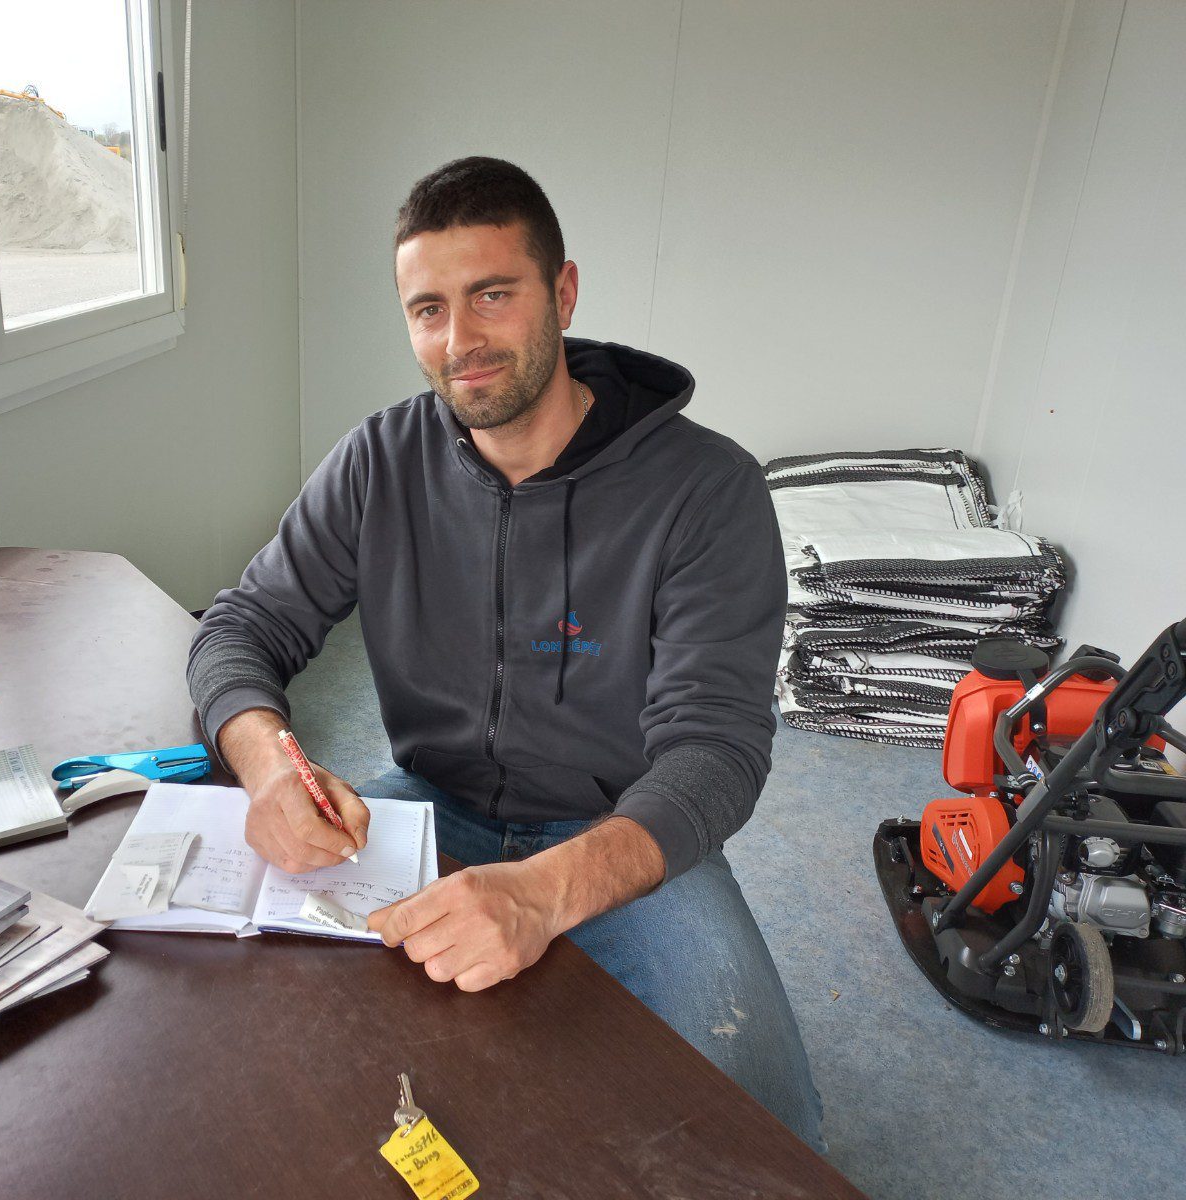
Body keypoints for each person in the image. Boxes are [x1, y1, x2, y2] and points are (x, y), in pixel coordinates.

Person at [187, 156, 823, 1148]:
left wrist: (543, 893)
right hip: (423, 812)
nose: (458, 342)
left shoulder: (709, 490)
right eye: (427, 310)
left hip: (623, 835)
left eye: (492, 296)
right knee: (268, 1049)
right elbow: (240, 627)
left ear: (561, 293)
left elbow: (717, 752)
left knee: (759, 1130)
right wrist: (270, 765)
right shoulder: (379, 461)